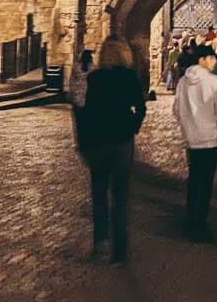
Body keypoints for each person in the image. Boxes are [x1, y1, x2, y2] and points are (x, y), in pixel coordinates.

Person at [77, 37, 146, 265]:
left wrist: (83, 143)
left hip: (98, 141)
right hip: (121, 142)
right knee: (120, 196)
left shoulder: (95, 78)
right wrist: (132, 126)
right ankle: (120, 249)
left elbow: (85, 113)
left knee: (99, 194)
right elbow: (141, 107)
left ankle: (101, 242)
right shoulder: (129, 77)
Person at [173, 44, 217, 242]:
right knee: (206, 180)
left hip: (191, 137)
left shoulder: (182, 82)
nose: (215, 62)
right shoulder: (215, 82)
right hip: (210, 137)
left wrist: (188, 124)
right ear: (203, 59)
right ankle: (201, 222)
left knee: (194, 177)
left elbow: (177, 109)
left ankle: (190, 218)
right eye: (212, 59)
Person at [70, 48, 95, 142]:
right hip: (89, 97)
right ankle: (87, 138)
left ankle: (78, 140)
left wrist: (72, 94)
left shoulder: (76, 67)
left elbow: (72, 81)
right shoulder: (93, 68)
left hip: (77, 97)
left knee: (77, 121)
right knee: (88, 120)